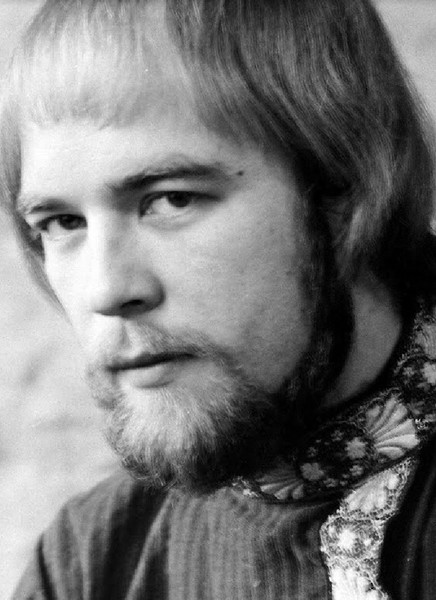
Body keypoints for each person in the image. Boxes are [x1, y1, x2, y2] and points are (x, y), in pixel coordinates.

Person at [2, 0, 436, 598]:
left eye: (171, 199)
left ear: (349, 190)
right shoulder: (91, 561)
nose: (107, 290)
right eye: (61, 223)